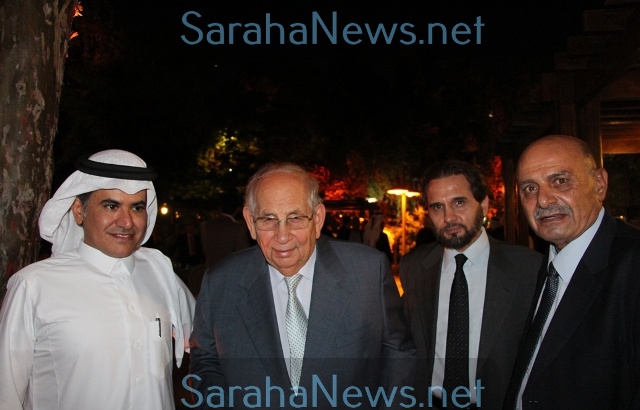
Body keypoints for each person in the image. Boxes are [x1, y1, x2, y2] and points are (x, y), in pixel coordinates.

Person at [188, 163, 415, 409]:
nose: (282, 236)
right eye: (268, 219)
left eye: (295, 218)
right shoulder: (221, 282)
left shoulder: (367, 272)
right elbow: (205, 361)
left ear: (317, 219)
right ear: (250, 222)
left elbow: (398, 356)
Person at [0, 149, 196, 410]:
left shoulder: (161, 273)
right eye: (111, 206)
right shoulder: (34, 286)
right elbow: (6, 394)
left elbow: (211, 338)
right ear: (78, 210)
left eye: (137, 207)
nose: (127, 222)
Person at [503, 135, 640, 410]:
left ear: (599, 184)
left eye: (560, 181)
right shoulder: (546, 264)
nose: (543, 200)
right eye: (530, 188)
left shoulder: (633, 265)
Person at [400, 160, 541, 409]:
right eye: (437, 207)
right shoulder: (414, 267)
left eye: (459, 202)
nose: (449, 217)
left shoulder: (528, 269)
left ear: (483, 205)